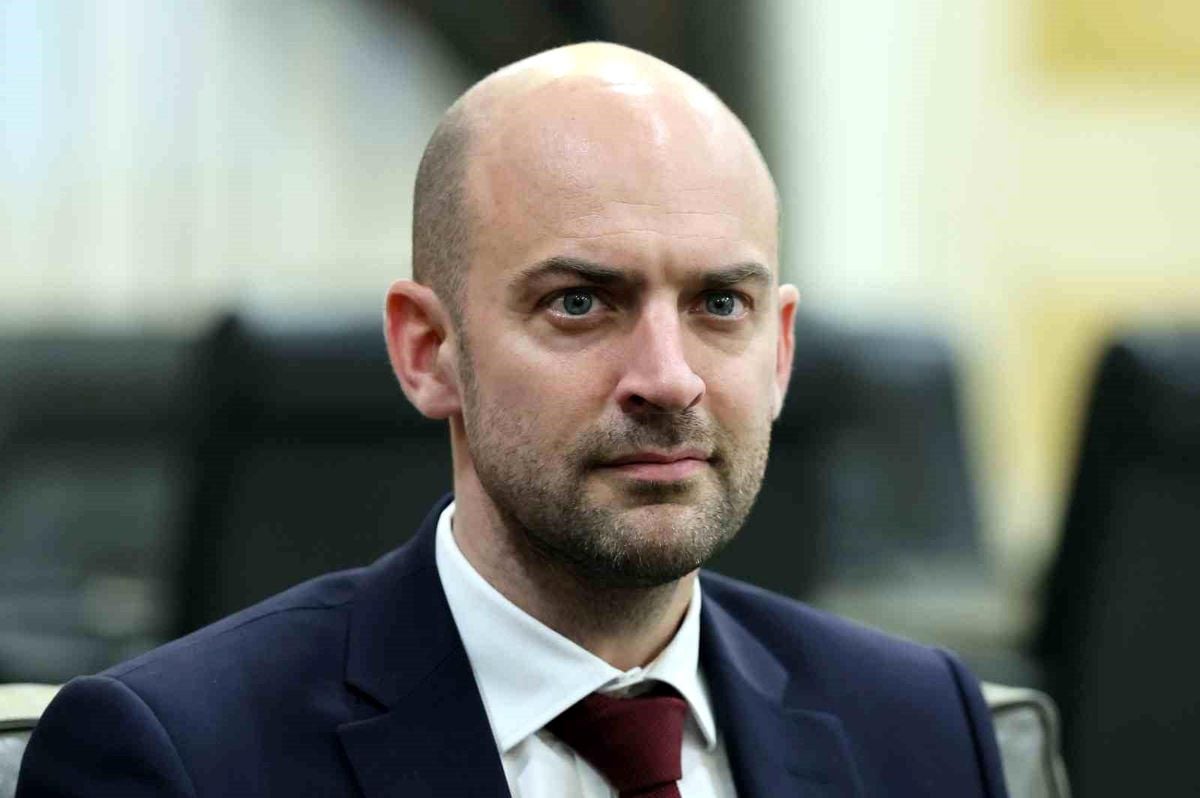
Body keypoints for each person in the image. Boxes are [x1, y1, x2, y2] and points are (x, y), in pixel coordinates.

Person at [18, 43, 1006, 797]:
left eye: (719, 304)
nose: (669, 380)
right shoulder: (178, 757)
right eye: (580, 303)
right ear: (427, 351)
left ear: (779, 351)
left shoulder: (920, 727)